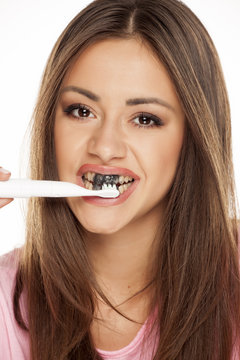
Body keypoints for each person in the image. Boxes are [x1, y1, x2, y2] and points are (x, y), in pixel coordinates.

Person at [0, 0, 239, 359]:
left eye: (144, 118)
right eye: (81, 111)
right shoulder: (6, 296)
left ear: (192, 138)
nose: (105, 147)